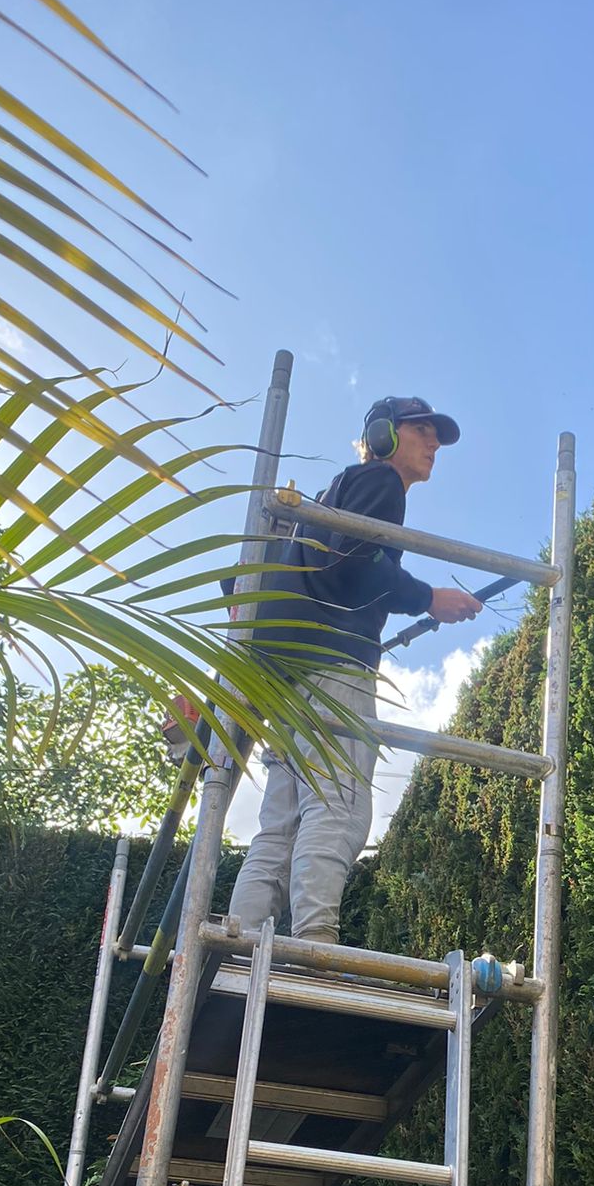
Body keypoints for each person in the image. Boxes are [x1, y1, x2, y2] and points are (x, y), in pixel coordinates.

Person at [227, 395, 481, 944]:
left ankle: (237, 944)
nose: (434, 442)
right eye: (423, 430)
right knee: (338, 802)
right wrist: (427, 597)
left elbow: (249, 582)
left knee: (281, 826)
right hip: (333, 668)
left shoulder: (319, 503)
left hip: (282, 681)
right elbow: (353, 565)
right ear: (386, 434)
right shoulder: (378, 482)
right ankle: (316, 940)